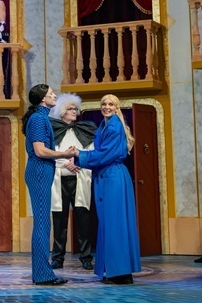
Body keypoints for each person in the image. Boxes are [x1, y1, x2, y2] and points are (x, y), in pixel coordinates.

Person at [71, 94, 141, 285]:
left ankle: (120, 273)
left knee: (115, 224)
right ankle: (117, 271)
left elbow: (105, 154)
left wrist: (80, 154)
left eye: (111, 104)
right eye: (104, 104)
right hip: (107, 176)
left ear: (117, 107)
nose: (106, 107)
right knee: (110, 224)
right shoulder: (104, 125)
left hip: (113, 177)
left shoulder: (114, 126)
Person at [22, 84, 77, 286]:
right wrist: (64, 154)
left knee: (44, 222)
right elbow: (40, 151)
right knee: (43, 223)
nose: (55, 95)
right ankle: (43, 275)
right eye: (51, 93)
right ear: (42, 99)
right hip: (39, 170)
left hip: (42, 170)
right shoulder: (38, 118)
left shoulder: (41, 117)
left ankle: (41, 272)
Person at [48, 93, 96, 270]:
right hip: (60, 179)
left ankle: (86, 257)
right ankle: (57, 257)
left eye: (75, 108)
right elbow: (49, 153)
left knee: (83, 220)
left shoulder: (84, 131)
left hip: (80, 179)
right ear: (62, 112)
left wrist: (77, 162)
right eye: (70, 109)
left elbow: (91, 152)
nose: (74, 111)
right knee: (59, 220)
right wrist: (66, 163)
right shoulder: (53, 131)